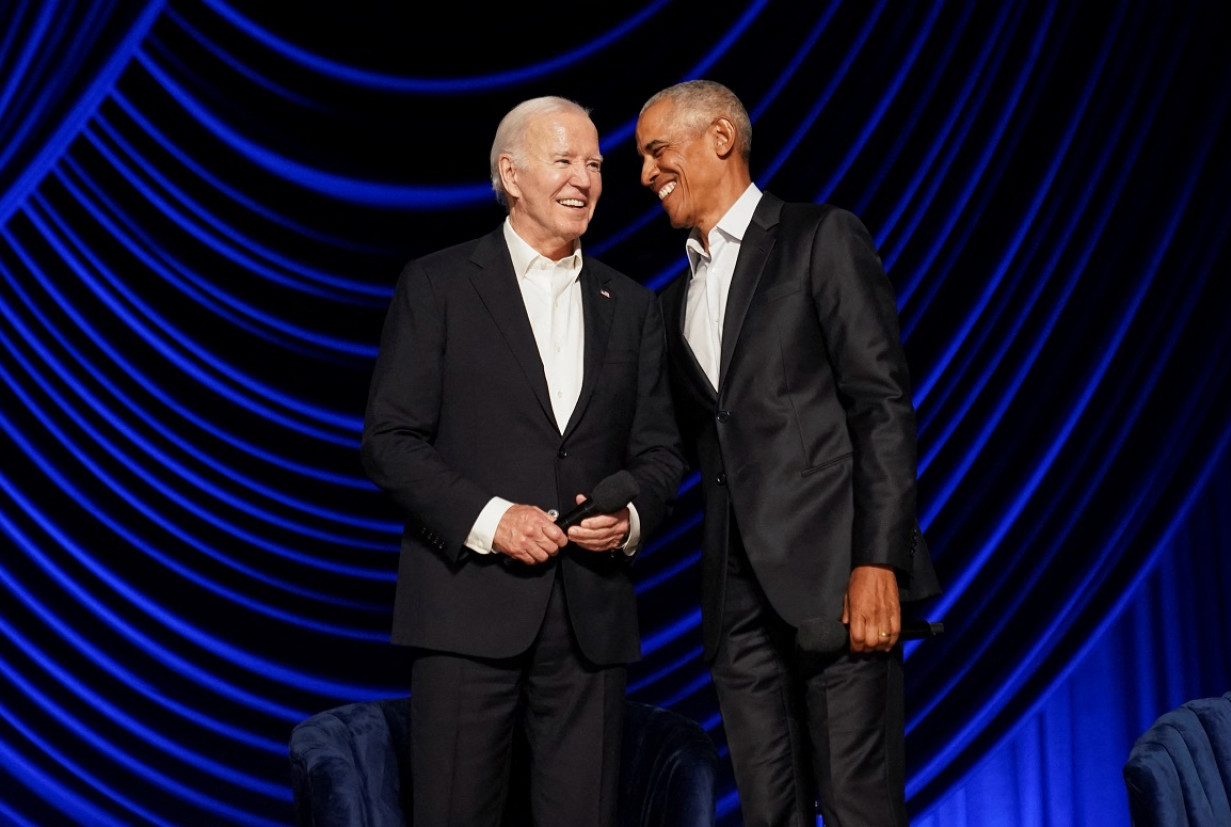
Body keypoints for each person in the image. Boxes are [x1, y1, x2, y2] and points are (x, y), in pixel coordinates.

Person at [362, 96, 685, 826]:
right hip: (466, 607)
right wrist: (492, 518)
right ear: (511, 174)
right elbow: (390, 441)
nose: (586, 178)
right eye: (565, 159)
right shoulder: (438, 285)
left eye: (597, 163)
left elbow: (661, 449)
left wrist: (628, 513)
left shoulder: (631, 305)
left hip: (589, 620)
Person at [635, 80, 942, 826]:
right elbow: (674, 445)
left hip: (838, 579)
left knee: (856, 806)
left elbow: (881, 405)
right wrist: (623, 507)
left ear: (719, 139)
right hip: (734, 603)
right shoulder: (670, 302)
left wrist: (880, 562)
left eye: (656, 150)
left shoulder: (819, 238)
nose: (645, 174)